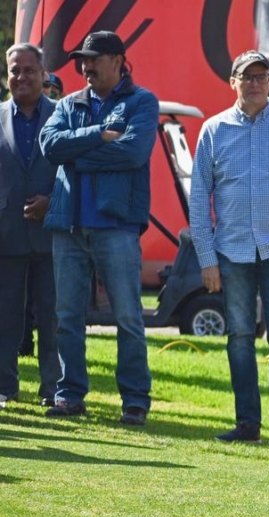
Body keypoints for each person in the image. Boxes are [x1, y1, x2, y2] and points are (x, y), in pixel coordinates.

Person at [189, 50, 269, 449]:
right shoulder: (213, 130)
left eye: (262, 76)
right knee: (239, 337)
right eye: (247, 76)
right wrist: (208, 259)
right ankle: (247, 424)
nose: (254, 83)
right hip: (231, 251)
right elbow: (199, 199)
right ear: (233, 82)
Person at [39, 31, 158, 425]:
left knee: (128, 317)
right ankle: (69, 395)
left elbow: (134, 152)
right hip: (68, 225)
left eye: (93, 59)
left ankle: (135, 401)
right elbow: (49, 147)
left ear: (118, 60)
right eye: (82, 60)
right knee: (67, 317)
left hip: (117, 227)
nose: (85, 67)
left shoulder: (143, 101)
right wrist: (96, 137)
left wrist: (77, 157)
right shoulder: (69, 103)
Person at [0, 43, 61, 410]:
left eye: (28, 70)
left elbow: (75, 172)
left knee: (53, 316)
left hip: (53, 232)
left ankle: (55, 390)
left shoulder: (64, 116)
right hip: (6, 234)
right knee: (5, 316)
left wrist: (52, 203)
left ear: (43, 74)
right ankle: (5, 387)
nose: (21, 77)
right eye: (13, 70)